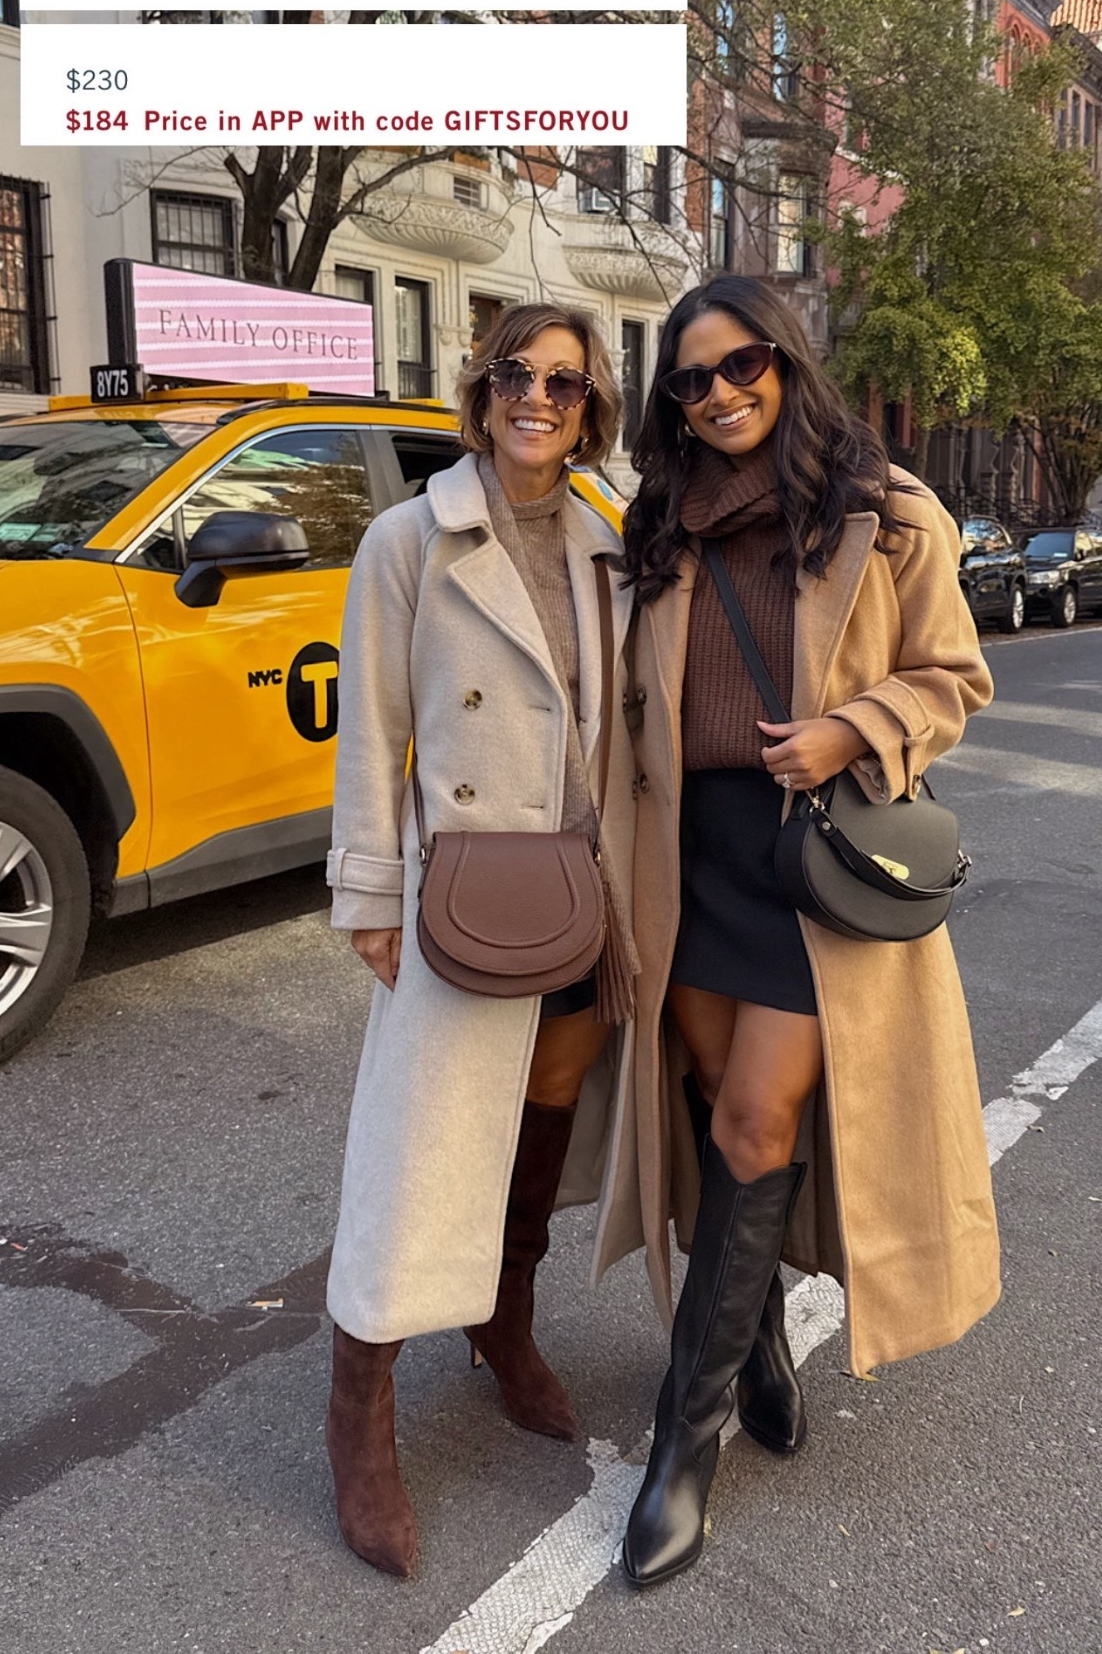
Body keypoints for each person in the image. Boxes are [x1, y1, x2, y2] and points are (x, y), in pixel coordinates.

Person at [618, 275, 999, 1588]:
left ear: (789, 364)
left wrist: (855, 727)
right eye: (691, 380)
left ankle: (686, 1443)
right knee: (725, 1104)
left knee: (754, 1121)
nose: (719, 395)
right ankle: (761, 1340)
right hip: (693, 860)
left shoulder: (885, 515)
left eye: (743, 368)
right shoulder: (661, 520)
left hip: (819, 864)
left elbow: (956, 676)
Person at [324, 301, 643, 1579]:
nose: (538, 398)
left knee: (543, 1120)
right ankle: (359, 1404)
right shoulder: (411, 537)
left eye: (565, 383)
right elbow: (373, 728)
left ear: (591, 407)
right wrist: (370, 895)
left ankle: (505, 1322)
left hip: (579, 888)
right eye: (518, 373)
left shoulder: (612, 540)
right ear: (482, 387)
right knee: (417, 1149)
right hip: (460, 889)